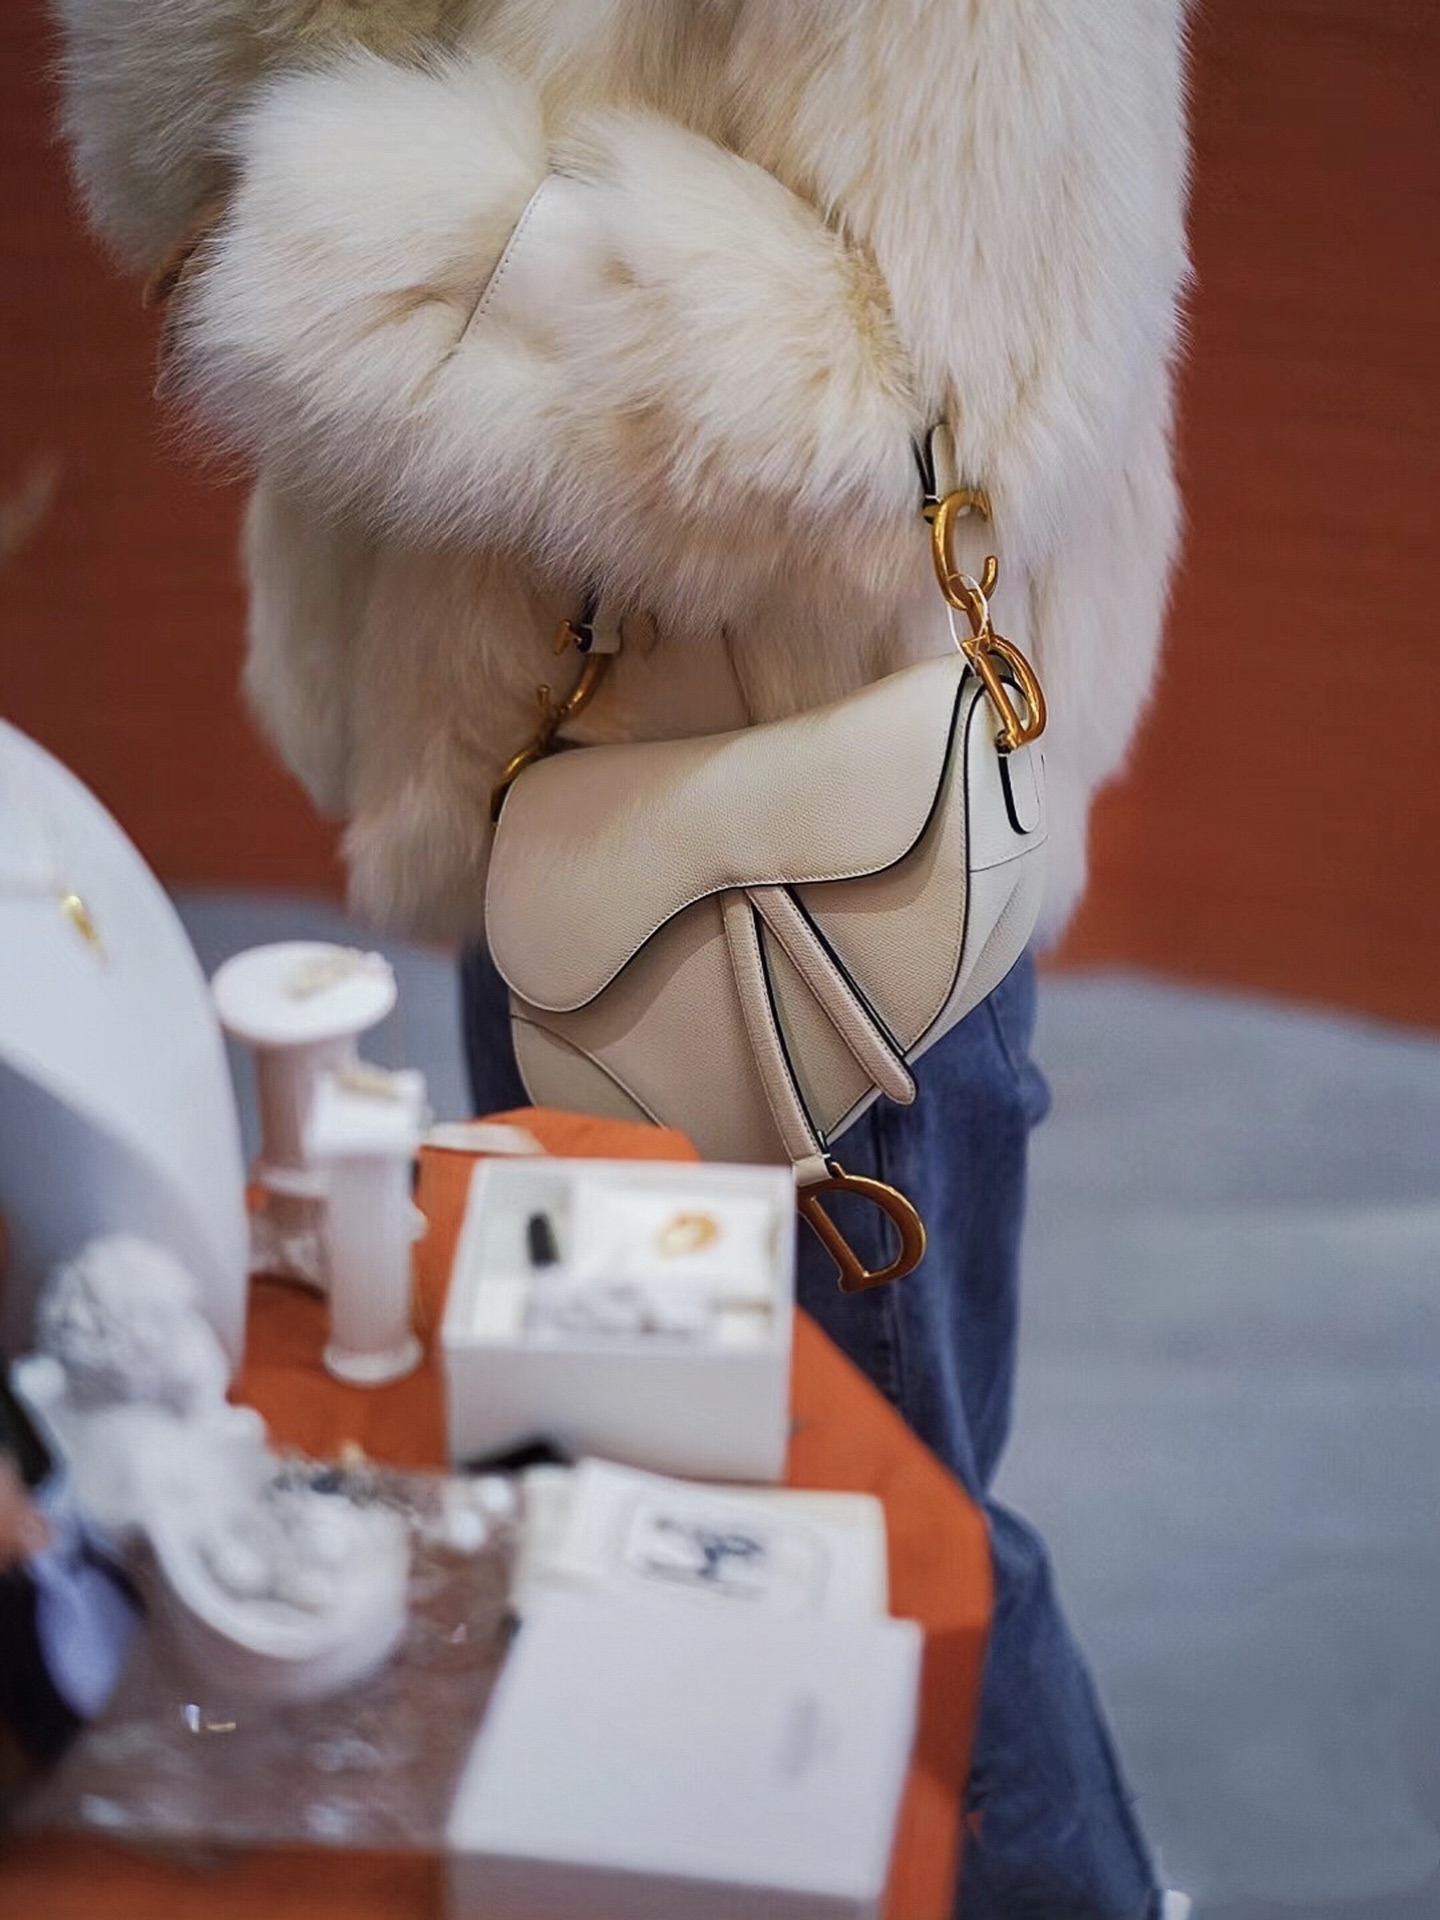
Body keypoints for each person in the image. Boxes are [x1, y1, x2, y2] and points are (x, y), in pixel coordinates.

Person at [56, 5, 1191, 1911]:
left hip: (816, 893)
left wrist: (365, 246)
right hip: (544, 814)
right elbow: (172, 177)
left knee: (880, 1536)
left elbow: (916, 400)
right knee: (628, 1487)